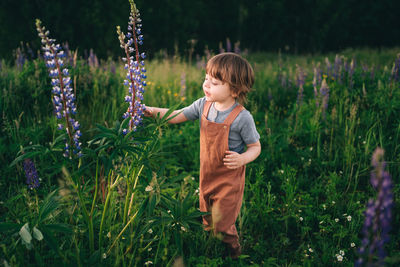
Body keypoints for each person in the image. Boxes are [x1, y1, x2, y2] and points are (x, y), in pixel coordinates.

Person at [145, 52, 261, 259]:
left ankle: (232, 256)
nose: (206, 85)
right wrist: (152, 110)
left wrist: (243, 158)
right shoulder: (202, 105)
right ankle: (211, 249)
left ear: (234, 90)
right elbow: (177, 114)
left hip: (229, 180)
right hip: (207, 174)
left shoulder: (242, 117)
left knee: (224, 222)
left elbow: (255, 146)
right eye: (206, 78)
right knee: (207, 215)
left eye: (214, 82)